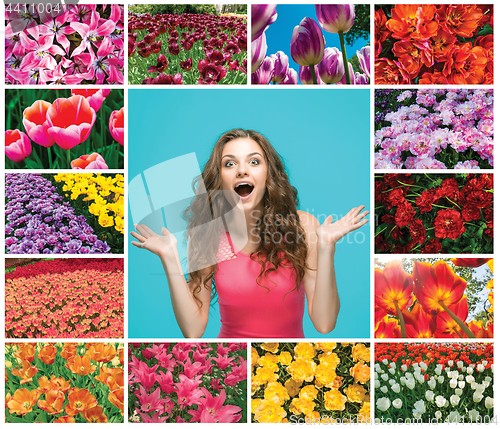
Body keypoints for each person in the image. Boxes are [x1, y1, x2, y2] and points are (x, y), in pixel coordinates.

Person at [131, 129, 368, 338]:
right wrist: (169, 257)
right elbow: (193, 330)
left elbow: (324, 324)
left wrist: (327, 246)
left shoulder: (301, 226)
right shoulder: (211, 235)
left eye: (254, 162)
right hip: (234, 362)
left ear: (268, 174)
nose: (242, 171)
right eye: (230, 164)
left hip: (292, 365)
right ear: (220, 179)